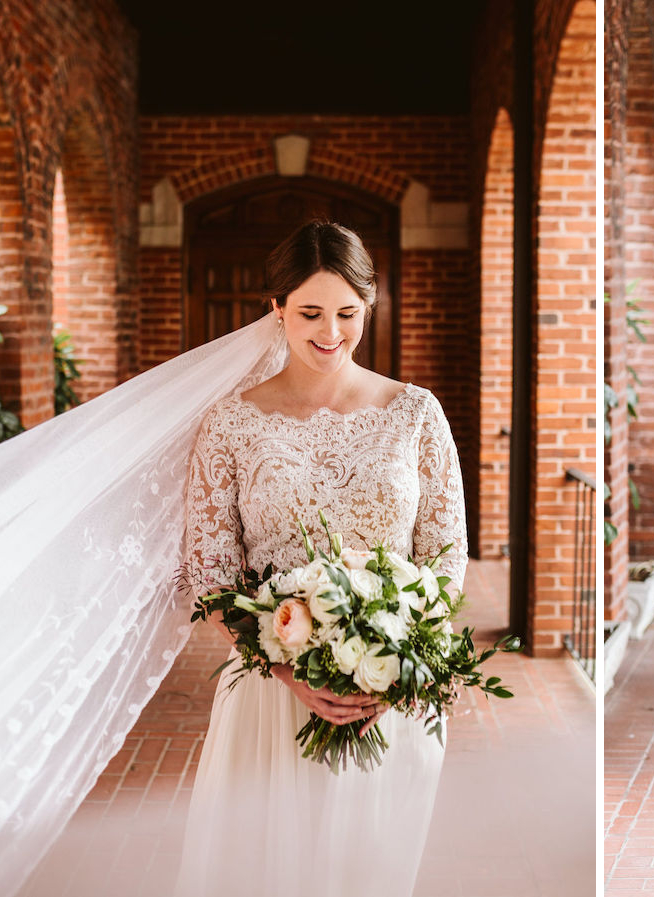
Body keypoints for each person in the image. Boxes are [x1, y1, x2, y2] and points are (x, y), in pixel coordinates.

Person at [174, 220, 466, 897]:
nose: (329, 330)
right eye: (309, 312)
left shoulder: (416, 414)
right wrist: (291, 673)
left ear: (371, 303)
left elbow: (444, 559)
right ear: (277, 309)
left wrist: (402, 663)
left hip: (391, 692)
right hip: (270, 693)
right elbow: (213, 573)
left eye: (346, 311)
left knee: (374, 872)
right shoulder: (231, 423)